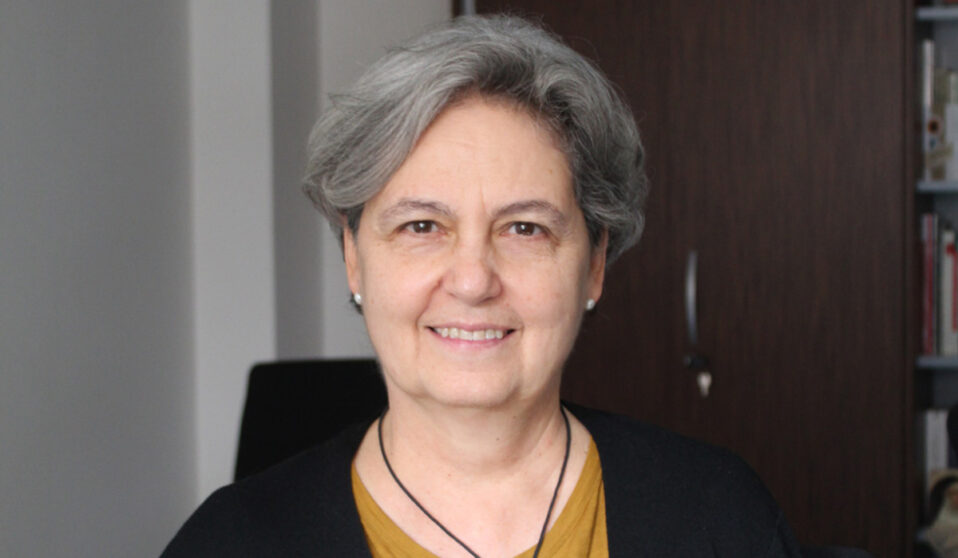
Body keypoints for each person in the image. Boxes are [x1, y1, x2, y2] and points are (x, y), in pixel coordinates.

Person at [161, 15, 802, 557]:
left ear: (595, 264)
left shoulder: (721, 517)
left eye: (524, 228)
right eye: (421, 226)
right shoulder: (229, 543)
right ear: (354, 259)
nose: (472, 281)